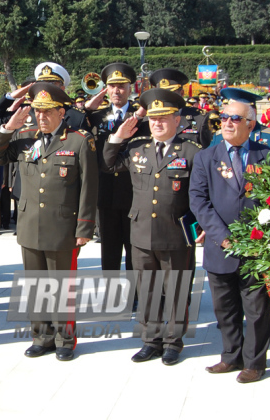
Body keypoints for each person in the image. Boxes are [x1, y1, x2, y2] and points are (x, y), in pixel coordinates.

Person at [0, 83, 98, 361]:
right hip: (29, 224)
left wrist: (84, 227)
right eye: (37, 111)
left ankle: (65, 339)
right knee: (36, 285)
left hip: (63, 227)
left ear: (62, 112)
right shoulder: (25, 139)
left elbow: (89, 187)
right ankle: (41, 336)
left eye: (47, 112)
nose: (41, 117)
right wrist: (8, 127)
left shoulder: (79, 141)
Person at [102, 88, 203, 366]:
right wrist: (119, 136)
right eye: (154, 118)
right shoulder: (137, 148)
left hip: (175, 233)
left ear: (177, 119)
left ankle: (173, 341)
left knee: (175, 289)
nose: (158, 123)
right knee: (147, 288)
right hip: (141, 231)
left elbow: (200, 193)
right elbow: (109, 163)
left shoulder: (192, 152)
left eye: (164, 117)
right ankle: (150, 340)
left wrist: (199, 227)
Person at [189, 88, 270, 383]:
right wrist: (223, 237)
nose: (226, 122)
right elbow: (198, 201)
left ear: (250, 123)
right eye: (224, 117)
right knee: (224, 309)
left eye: (234, 118)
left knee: (257, 310)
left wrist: (260, 239)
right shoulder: (206, 157)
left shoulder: (268, 156)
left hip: (257, 250)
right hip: (219, 247)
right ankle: (231, 356)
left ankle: (255, 362)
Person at [85, 63, 147, 273]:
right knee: (109, 248)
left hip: (134, 190)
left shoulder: (142, 117)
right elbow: (71, 123)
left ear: (131, 88)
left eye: (121, 86)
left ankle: (134, 293)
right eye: (112, 86)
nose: (116, 91)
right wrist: (86, 108)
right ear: (106, 89)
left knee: (134, 247)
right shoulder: (95, 117)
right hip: (106, 190)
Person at [149, 68, 212, 148]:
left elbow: (207, 151)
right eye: (161, 94)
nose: (165, 98)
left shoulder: (199, 118)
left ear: (182, 93)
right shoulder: (149, 120)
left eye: (171, 94)